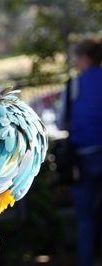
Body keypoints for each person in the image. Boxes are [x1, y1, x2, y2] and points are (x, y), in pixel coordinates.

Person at [60, 38, 102, 266]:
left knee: (85, 219)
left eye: (76, 58)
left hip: (84, 157)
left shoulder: (74, 85)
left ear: (84, 58)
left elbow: (61, 122)